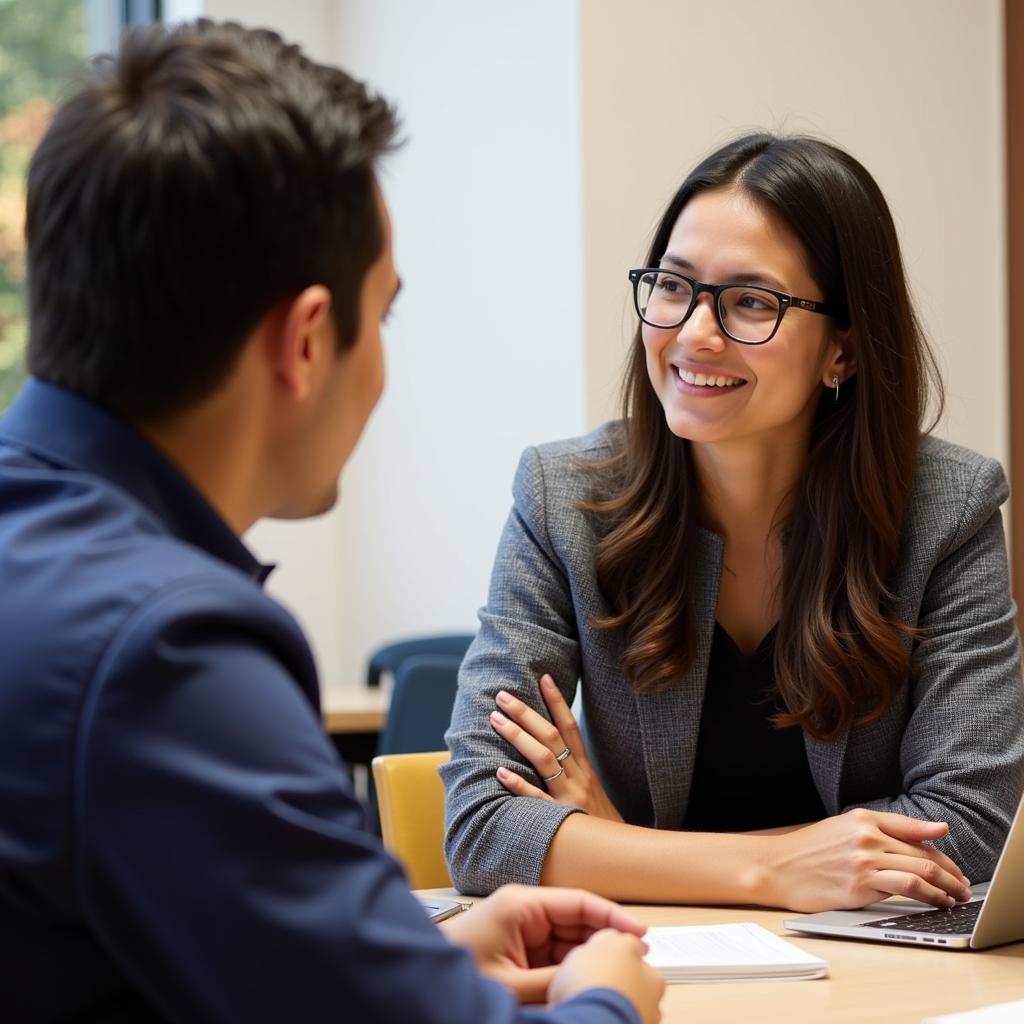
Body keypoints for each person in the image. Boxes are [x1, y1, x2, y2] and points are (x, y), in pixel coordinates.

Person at [0, 20, 665, 1024]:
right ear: (308, 341)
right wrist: (608, 1000)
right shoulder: (162, 652)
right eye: (384, 315)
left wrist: (413, 958)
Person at [442, 133, 1024, 913]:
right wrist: (772, 871)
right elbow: (481, 826)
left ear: (842, 351)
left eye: (753, 301)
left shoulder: (946, 510)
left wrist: (615, 843)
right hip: (648, 968)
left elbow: (969, 830)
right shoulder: (563, 498)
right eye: (674, 287)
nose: (694, 334)